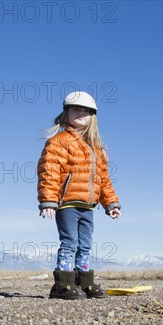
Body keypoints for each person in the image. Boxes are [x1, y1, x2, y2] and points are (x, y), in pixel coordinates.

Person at [37, 91, 121, 300]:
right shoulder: (59, 141)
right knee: (69, 242)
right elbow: (49, 170)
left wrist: (111, 202)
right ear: (65, 114)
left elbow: (103, 179)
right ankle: (62, 286)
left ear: (93, 116)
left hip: (88, 205)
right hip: (66, 204)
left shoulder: (95, 147)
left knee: (85, 244)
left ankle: (84, 283)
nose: (81, 113)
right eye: (75, 109)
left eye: (86, 111)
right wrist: (48, 200)